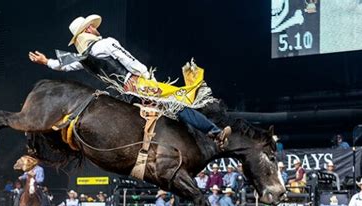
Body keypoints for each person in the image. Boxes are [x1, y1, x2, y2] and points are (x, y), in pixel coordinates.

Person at [28, 14, 231, 147]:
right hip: (137, 85)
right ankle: (214, 132)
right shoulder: (106, 43)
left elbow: (65, 66)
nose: (96, 28)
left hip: (120, 95)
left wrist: (46, 61)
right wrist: (147, 76)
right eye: (92, 27)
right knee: (178, 103)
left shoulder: (84, 57)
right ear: (88, 30)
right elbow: (129, 60)